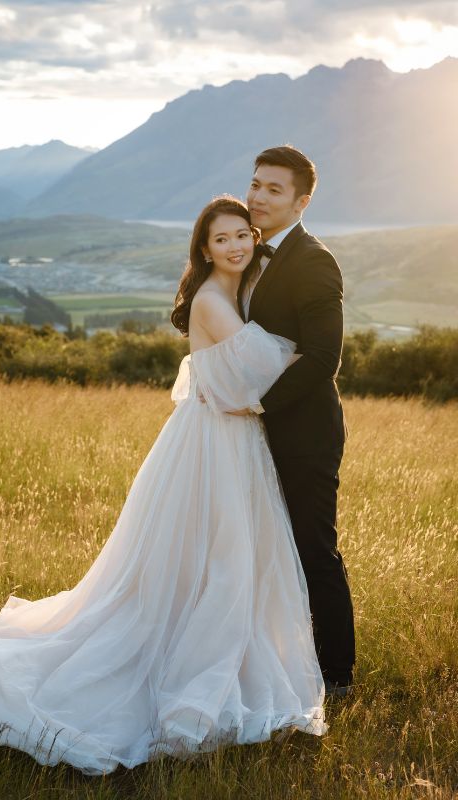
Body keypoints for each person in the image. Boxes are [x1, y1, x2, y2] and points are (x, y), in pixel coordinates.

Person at [0, 196, 326, 774]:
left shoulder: (234, 292)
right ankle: (188, 657)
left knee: (225, 555)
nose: (235, 246)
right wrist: (309, 349)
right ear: (204, 250)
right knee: (220, 555)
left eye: (242, 235)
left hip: (227, 437)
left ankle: (215, 644)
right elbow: (261, 362)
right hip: (214, 443)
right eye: (222, 239)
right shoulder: (212, 299)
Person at [243, 145, 355, 696]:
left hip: (304, 433)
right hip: (252, 434)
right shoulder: (249, 249)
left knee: (313, 547)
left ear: (301, 201)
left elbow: (322, 357)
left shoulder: (313, 261)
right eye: (256, 184)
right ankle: (274, 658)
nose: (258, 196)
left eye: (274, 189)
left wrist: (258, 403)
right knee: (260, 548)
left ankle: (337, 675)